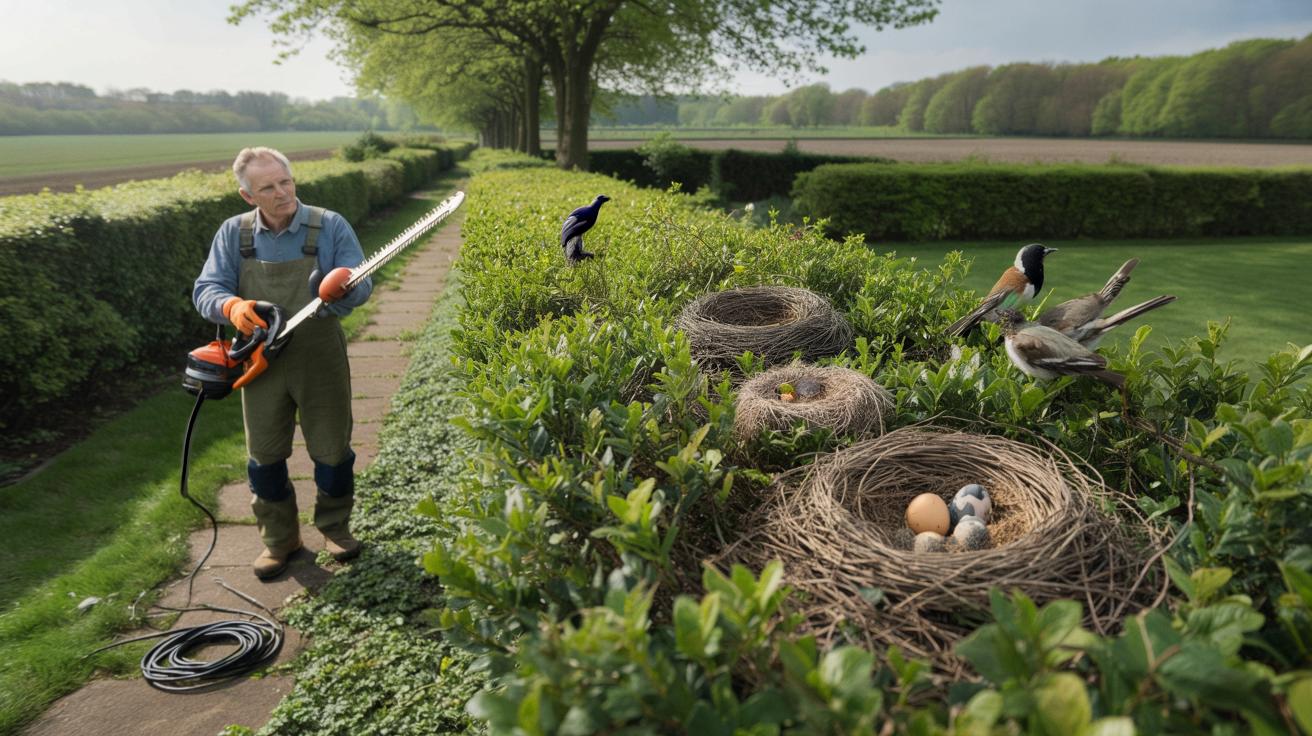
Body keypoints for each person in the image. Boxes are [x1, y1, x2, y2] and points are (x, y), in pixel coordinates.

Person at [193, 147, 373, 579]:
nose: (282, 193)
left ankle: (335, 528)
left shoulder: (328, 226)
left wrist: (345, 289)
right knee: (264, 456)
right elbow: (206, 289)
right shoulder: (233, 235)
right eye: (268, 187)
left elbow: (363, 281)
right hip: (259, 358)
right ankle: (280, 540)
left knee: (332, 451)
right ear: (247, 195)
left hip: (319, 353)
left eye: (286, 181)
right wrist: (231, 306)